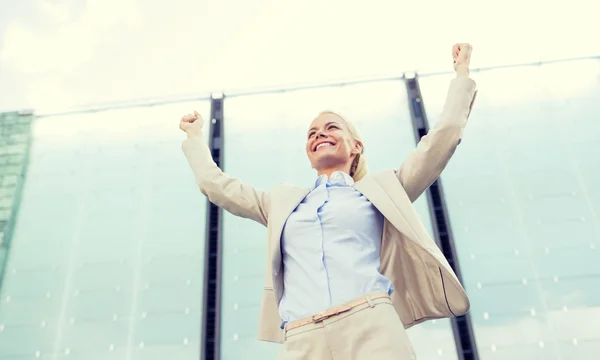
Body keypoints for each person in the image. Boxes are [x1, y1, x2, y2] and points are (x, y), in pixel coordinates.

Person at [180, 43, 477, 360]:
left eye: (332, 127)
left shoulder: (383, 190)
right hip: (302, 339)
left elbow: (441, 139)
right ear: (309, 154)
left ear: (356, 146)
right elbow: (217, 186)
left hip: (372, 328)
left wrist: (461, 75)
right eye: (312, 133)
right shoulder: (281, 204)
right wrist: (194, 138)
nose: (319, 134)